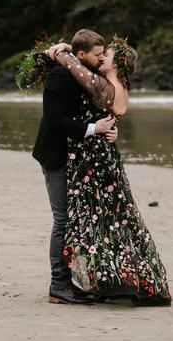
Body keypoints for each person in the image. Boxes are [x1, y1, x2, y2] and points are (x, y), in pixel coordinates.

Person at [46, 36, 171, 306]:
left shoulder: (105, 85)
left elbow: (82, 75)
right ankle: (102, 280)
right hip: (98, 158)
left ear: (118, 63)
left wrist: (62, 54)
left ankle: (95, 281)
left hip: (97, 161)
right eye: (100, 54)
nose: (101, 58)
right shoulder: (117, 85)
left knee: (100, 221)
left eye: (107, 56)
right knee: (109, 222)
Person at [32, 29, 118, 304]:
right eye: (97, 55)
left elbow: (100, 110)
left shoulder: (88, 78)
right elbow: (55, 120)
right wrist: (94, 129)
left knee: (77, 220)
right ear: (81, 55)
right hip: (56, 155)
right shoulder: (59, 76)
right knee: (63, 219)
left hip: (79, 158)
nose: (102, 57)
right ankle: (58, 286)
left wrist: (109, 131)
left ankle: (76, 280)